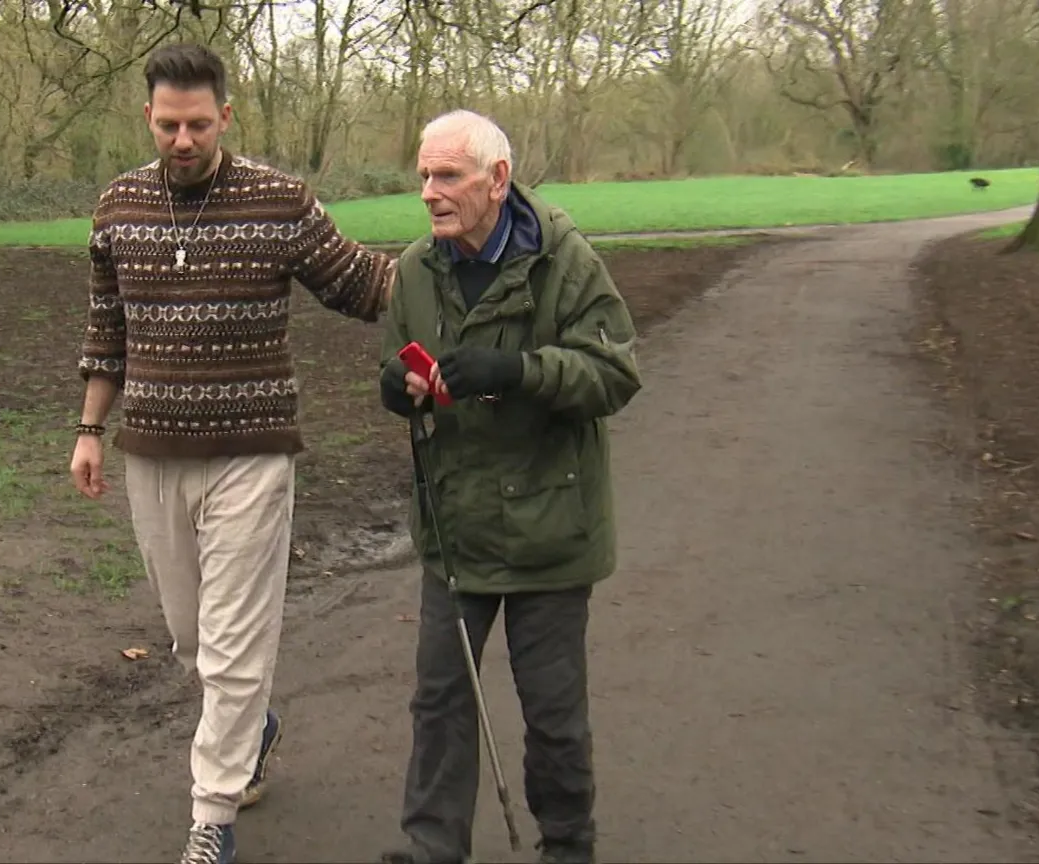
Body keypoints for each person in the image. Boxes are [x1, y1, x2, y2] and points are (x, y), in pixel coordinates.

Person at [69, 42, 396, 864]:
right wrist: (87, 429)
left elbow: (362, 284)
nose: (184, 140)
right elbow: (106, 330)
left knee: (236, 640)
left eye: (200, 125)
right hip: (151, 452)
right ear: (148, 116)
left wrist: (462, 265)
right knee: (192, 639)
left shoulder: (280, 203)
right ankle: (252, 729)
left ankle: (211, 820)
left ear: (226, 116)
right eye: (170, 124)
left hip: (253, 450)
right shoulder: (116, 209)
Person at [375, 109, 642, 864]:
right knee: (439, 703)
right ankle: (431, 848)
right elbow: (402, 362)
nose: (429, 191)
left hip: (551, 526)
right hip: (454, 524)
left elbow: (617, 372)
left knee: (553, 712)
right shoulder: (413, 272)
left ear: (497, 181)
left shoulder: (565, 259)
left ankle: (567, 845)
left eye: (447, 175)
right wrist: (399, 388)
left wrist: (522, 372)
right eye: (423, 175)